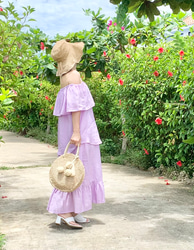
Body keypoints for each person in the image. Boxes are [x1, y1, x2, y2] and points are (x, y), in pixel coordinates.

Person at [47, 40, 105, 229]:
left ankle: (72, 210)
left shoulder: (65, 77)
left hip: (73, 129)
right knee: (80, 166)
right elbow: (75, 107)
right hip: (80, 129)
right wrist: (78, 132)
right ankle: (64, 211)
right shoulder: (74, 76)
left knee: (72, 166)